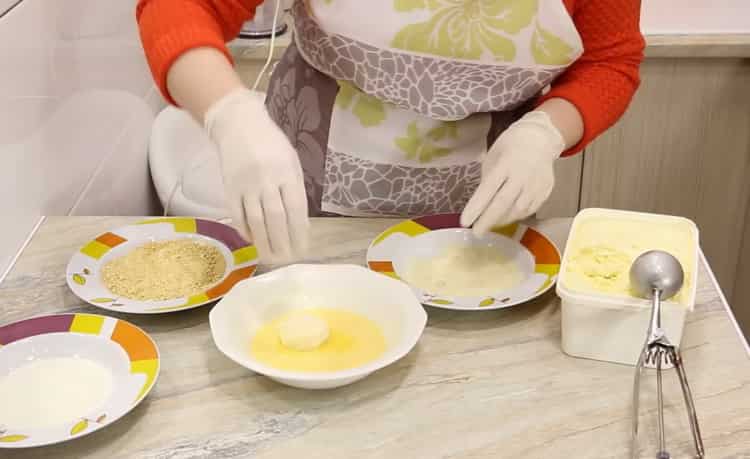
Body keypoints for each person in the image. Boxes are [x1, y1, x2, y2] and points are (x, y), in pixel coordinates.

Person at [136, 0, 644, 263]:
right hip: (311, 189)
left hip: (489, 206)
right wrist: (230, 115)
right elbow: (178, 8)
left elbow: (609, 60)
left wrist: (545, 132)